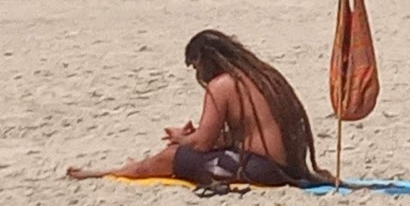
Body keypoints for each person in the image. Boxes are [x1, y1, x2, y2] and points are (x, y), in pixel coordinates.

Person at [65, 30, 330, 188]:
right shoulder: (263, 75)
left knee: (171, 156)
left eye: (195, 66)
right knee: (180, 152)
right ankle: (132, 167)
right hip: (290, 166)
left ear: (204, 61)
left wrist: (183, 138)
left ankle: (114, 171)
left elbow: (203, 144)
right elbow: (248, 132)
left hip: (264, 171)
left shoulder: (223, 85)